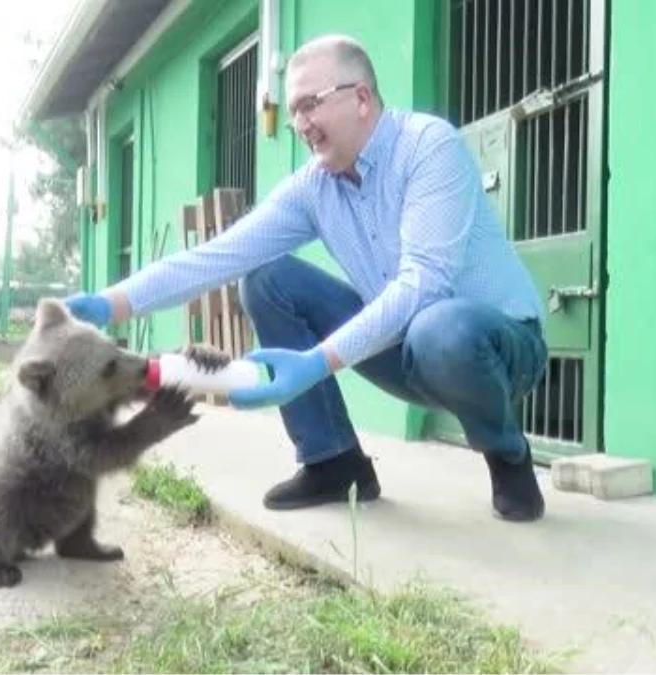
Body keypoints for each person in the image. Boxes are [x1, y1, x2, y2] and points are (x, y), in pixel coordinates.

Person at [64, 34, 549, 522]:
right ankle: (334, 461)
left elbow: (424, 282)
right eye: (292, 111)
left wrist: (315, 362)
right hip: (404, 348)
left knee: (440, 327)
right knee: (268, 279)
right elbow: (216, 256)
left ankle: (506, 452)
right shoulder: (315, 187)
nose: (299, 125)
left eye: (309, 105)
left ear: (361, 97)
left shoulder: (427, 146)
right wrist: (110, 303)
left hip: (498, 351)